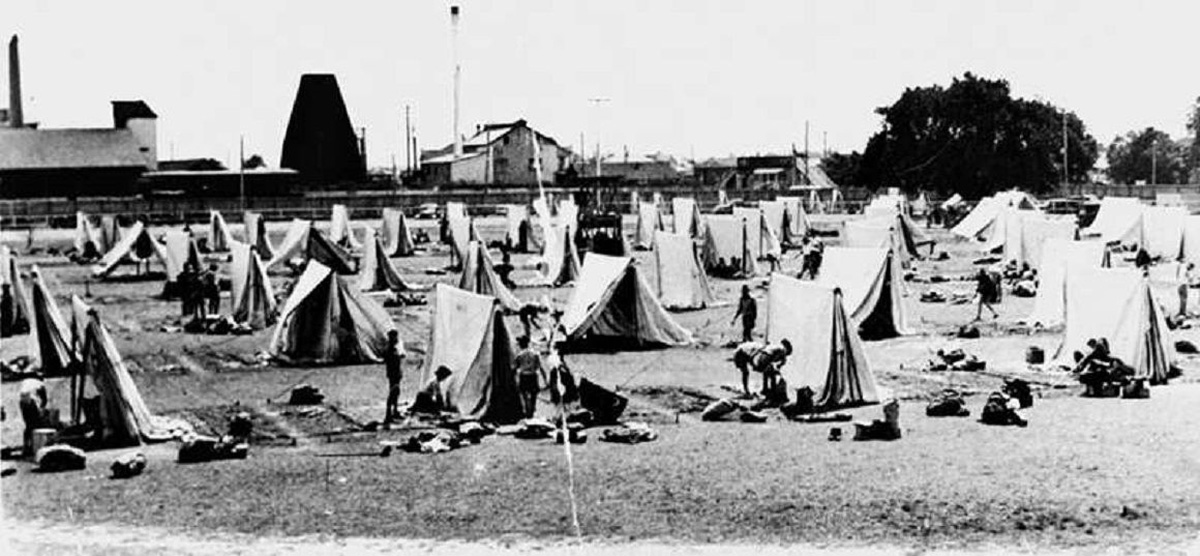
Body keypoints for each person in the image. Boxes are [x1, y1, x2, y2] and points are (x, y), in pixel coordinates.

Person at [514, 336, 546, 418]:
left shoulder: (519, 355)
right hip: (533, 375)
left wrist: (515, 379)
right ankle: (532, 410)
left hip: (524, 375)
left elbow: (515, 368)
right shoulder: (535, 354)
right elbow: (540, 367)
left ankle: (527, 411)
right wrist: (545, 378)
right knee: (533, 394)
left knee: (524, 394)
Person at [19, 373, 48, 453]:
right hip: (30, 402)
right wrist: (41, 410)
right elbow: (44, 399)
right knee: (35, 425)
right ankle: (34, 445)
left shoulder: (26, 381)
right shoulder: (40, 384)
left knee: (28, 424)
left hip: (22, 402)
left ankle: (26, 445)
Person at [383, 330, 404, 424]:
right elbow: (391, 362)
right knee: (393, 393)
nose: (397, 339)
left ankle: (394, 411)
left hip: (395, 374)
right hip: (393, 374)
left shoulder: (393, 349)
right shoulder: (389, 350)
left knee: (396, 393)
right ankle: (388, 414)